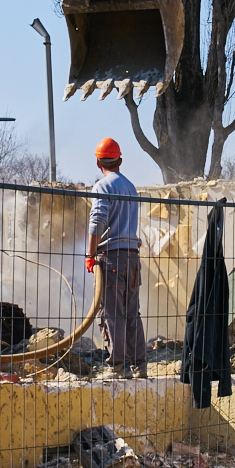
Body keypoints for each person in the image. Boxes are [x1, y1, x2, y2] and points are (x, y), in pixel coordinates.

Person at [85, 137, 147, 379]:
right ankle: (139, 366)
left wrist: (90, 255)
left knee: (111, 313)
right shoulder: (130, 187)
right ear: (120, 160)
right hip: (132, 259)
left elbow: (97, 221)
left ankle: (117, 367)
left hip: (111, 259)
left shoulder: (102, 186)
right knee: (132, 312)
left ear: (98, 162)